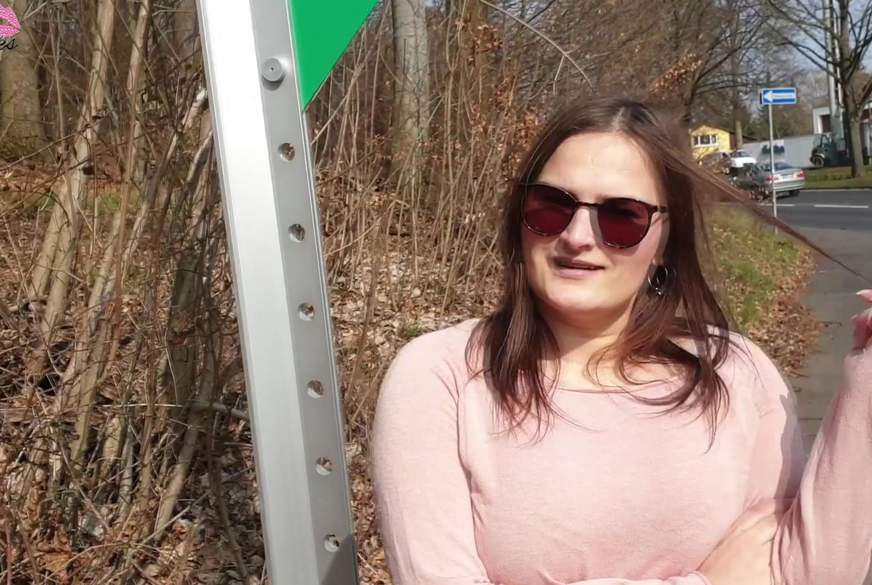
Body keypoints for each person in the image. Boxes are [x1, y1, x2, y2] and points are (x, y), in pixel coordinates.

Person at [369, 97, 872, 585]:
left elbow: (809, 573)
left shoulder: (734, 370)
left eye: (621, 216)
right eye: (551, 206)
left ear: (665, 241)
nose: (577, 236)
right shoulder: (441, 376)